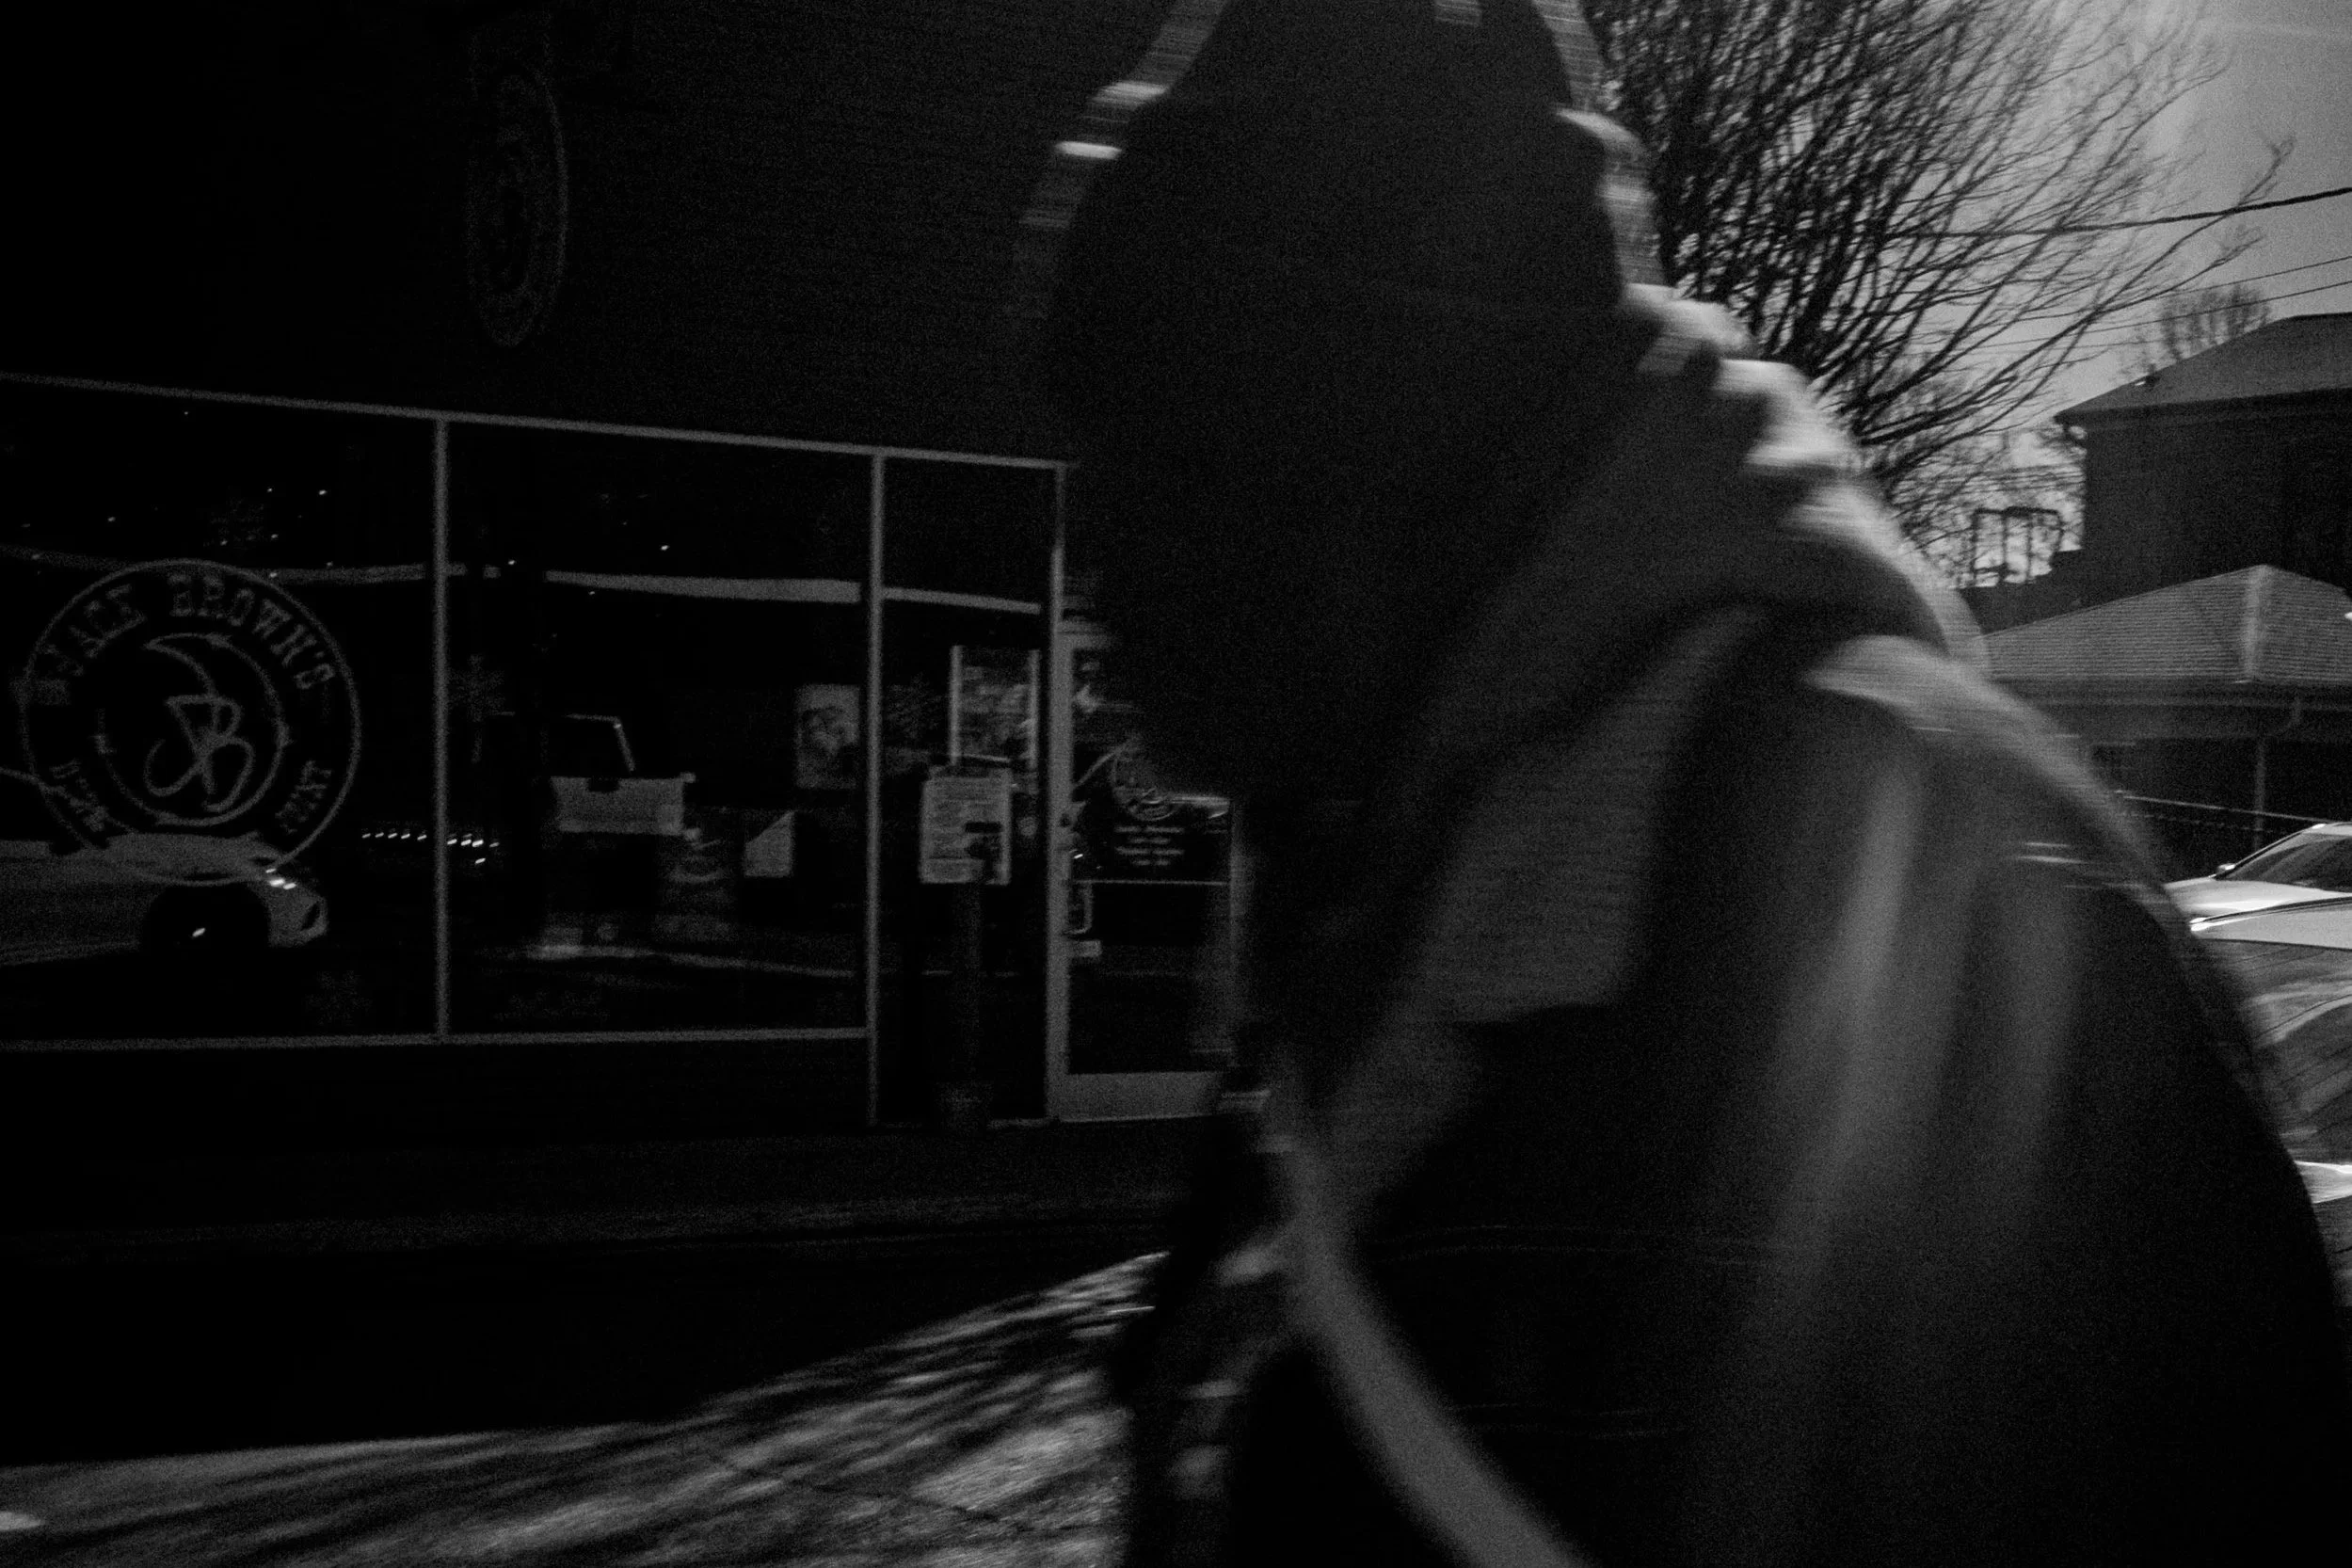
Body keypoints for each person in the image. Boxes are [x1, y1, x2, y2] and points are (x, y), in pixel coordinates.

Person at [1034, 3, 2352, 1565]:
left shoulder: (1920, 882)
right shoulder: (1385, 892)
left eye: (1156, 462)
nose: (1090, 565)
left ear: (1349, 464)